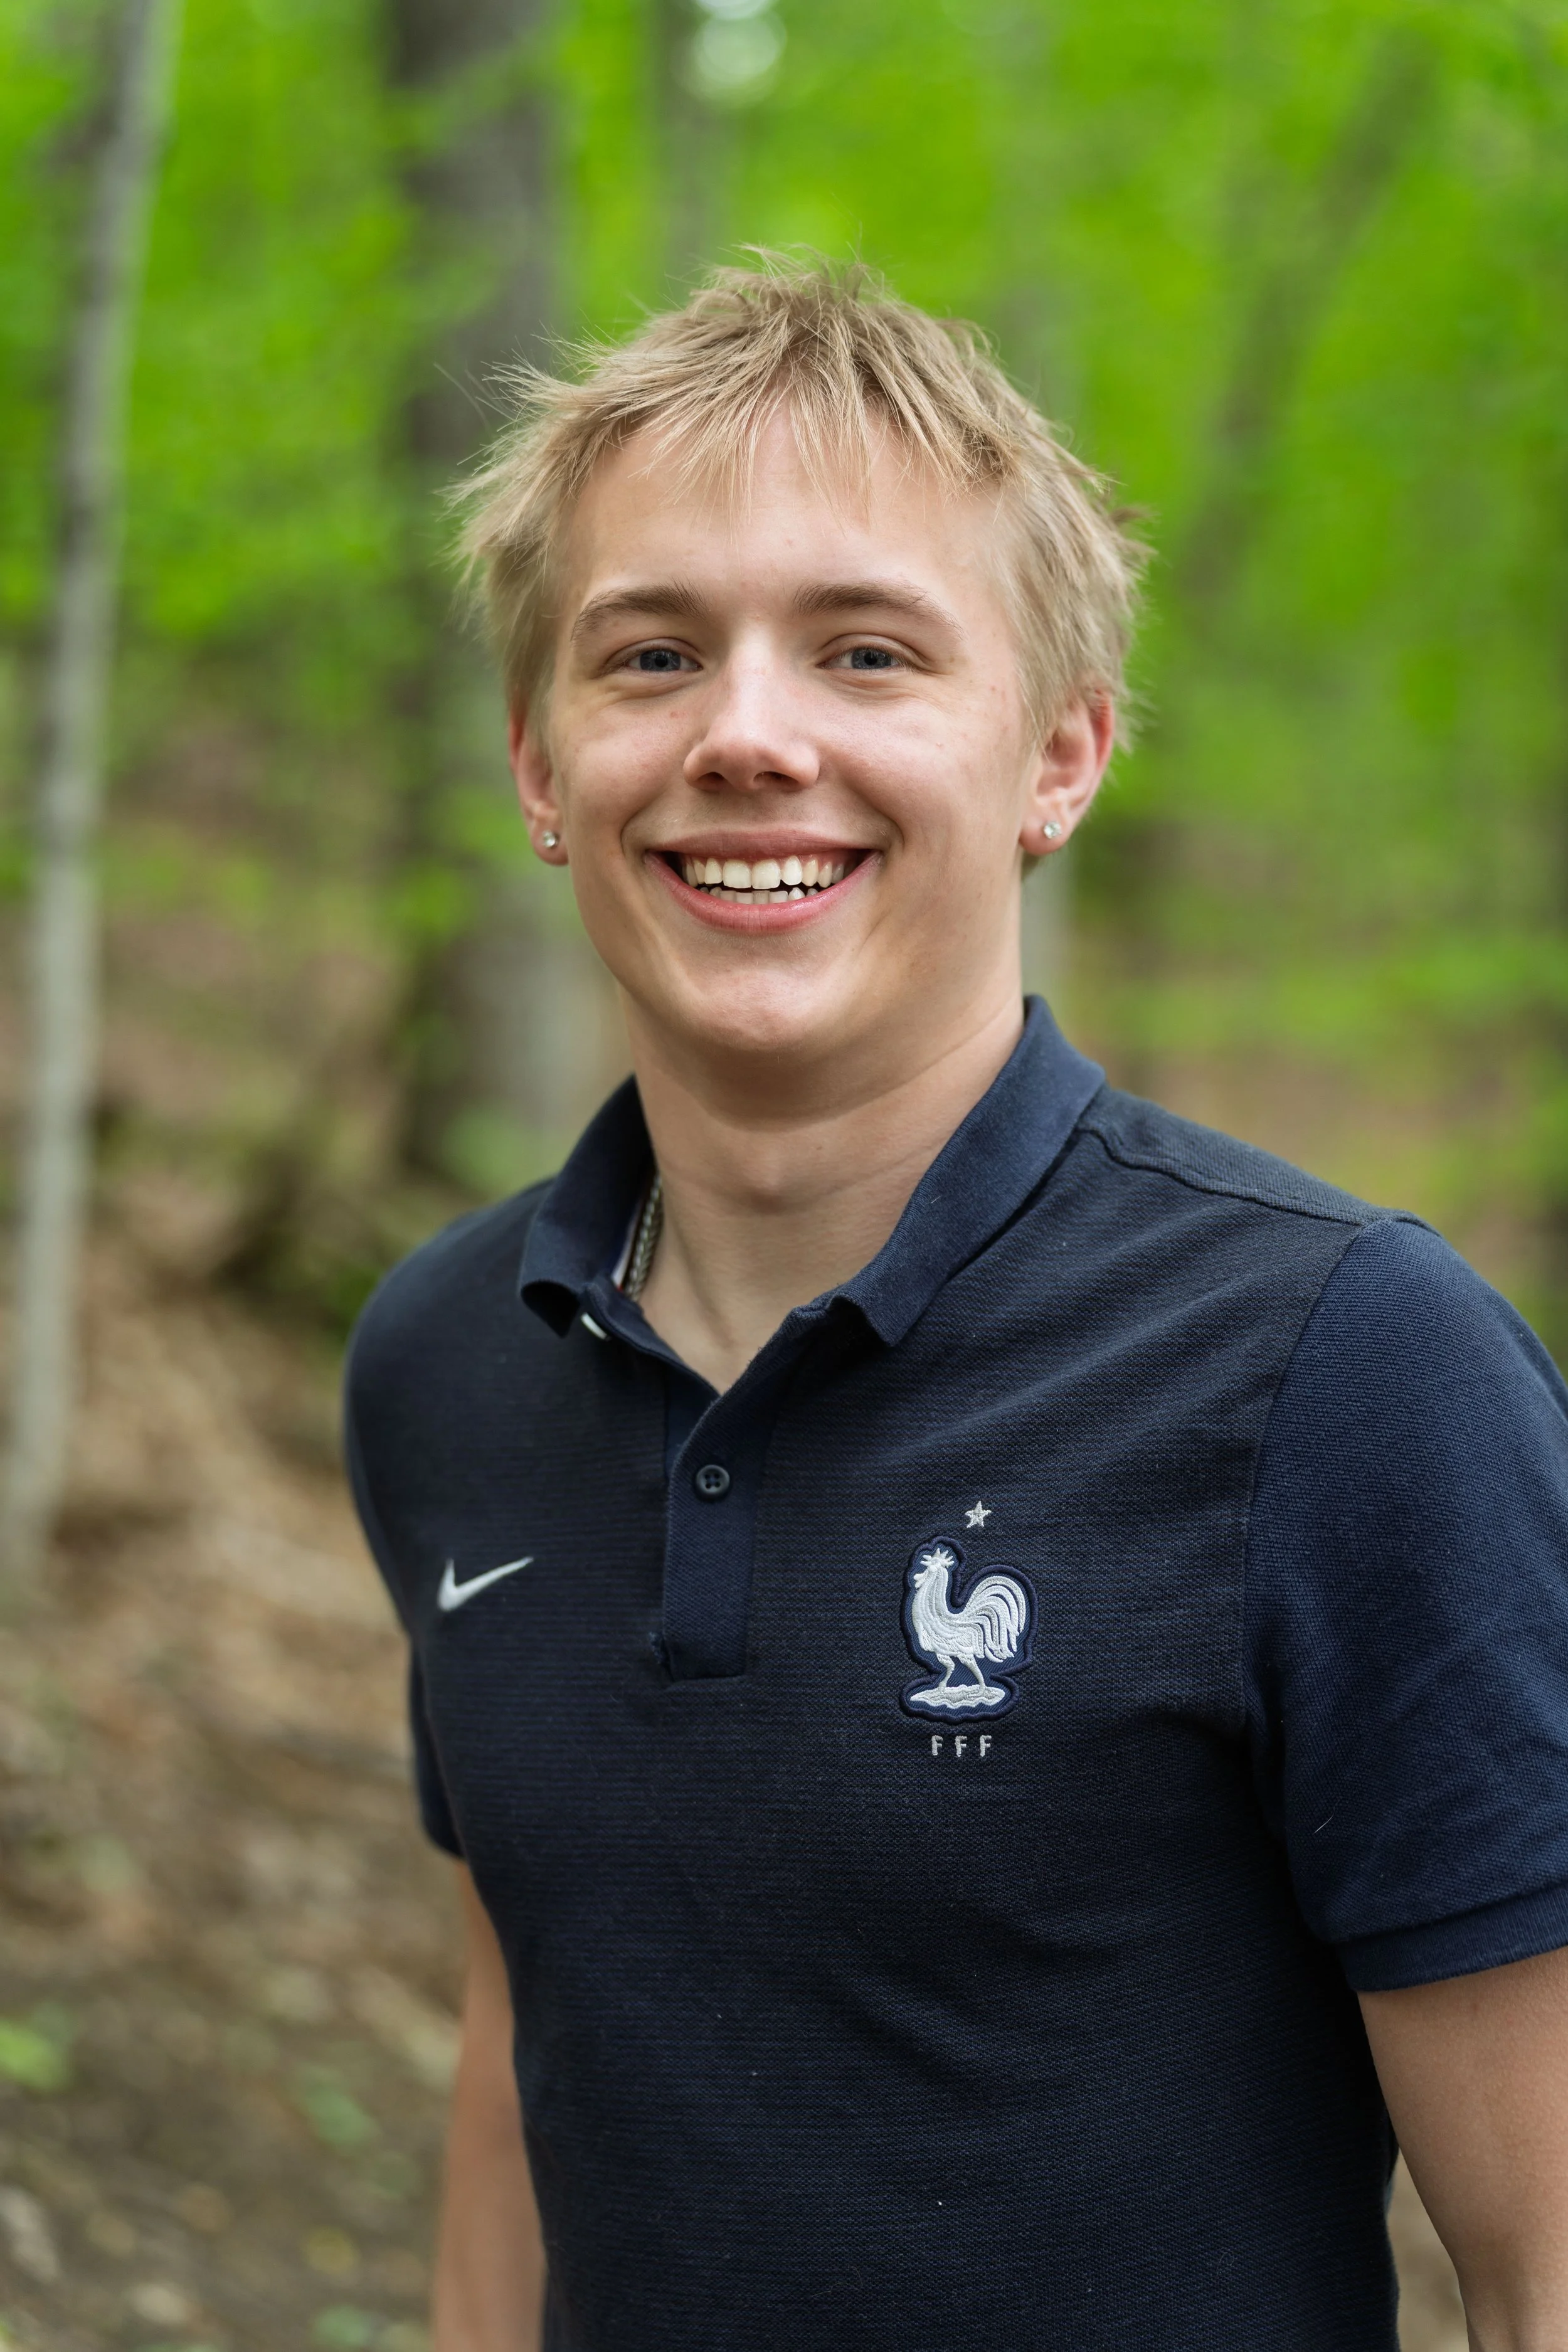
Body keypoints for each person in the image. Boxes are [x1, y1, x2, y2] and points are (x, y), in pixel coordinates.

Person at [345, 258, 1568, 2352]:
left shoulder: (1350, 1370)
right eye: (651, 652)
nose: (745, 732)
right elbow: (523, 2039)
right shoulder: (447, 1358)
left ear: (1058, 756)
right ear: (543, 765)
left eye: (866, 651)